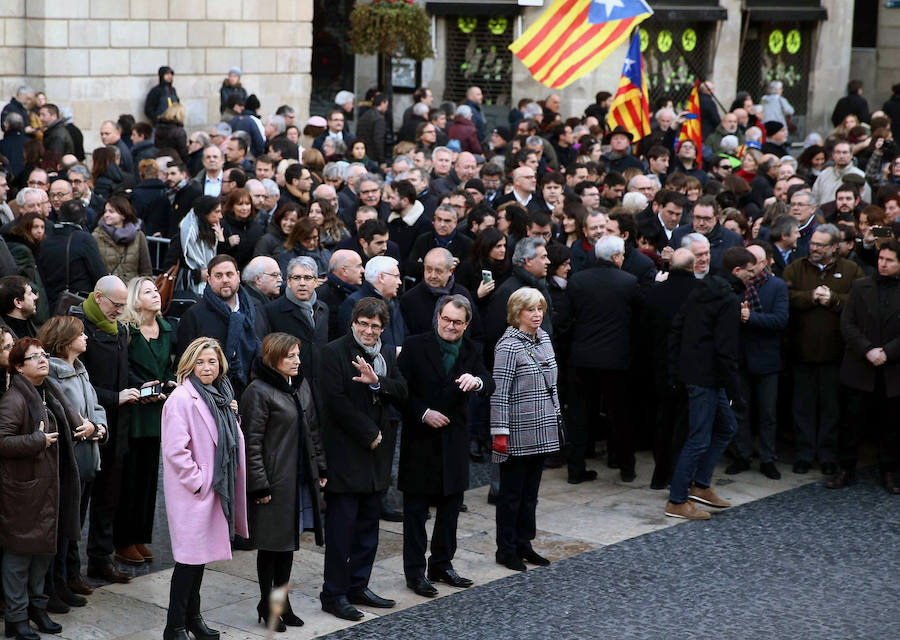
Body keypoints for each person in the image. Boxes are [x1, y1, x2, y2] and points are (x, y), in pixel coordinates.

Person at [397, 295, 494, 597]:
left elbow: (488, 381)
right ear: (438, 317)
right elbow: (399, 391)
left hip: (453, 438)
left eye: (457, 322)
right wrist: (423, 413)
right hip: (420, 438)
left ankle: (442, 563)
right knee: (415, 512)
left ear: (466, 324)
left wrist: (476, 381)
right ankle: (415, 572)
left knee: (450, 507)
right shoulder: (414, 345)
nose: (450, 326)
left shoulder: (471, 348)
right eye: (446, 319)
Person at [318, 297, 408, 621]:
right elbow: (334, 402)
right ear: (353, 323)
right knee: (342, 530)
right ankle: (333, 593)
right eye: (364, 324)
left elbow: (402, 390)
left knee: (369, 527)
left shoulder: (385, 353)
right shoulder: (332, 352)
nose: (369, 331)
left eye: (376, 326)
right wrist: (368, 432)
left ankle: (358, 585)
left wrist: (378, 382)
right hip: (346, 452)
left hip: (377, 457)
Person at [0, 337, 90, 640]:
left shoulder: (49, 391)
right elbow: (2, 442)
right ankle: (16, 617)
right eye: (34, 357)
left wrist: (91, 427)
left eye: (43, 355)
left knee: (42, 553)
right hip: (24, 491)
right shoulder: (13, 399)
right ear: (18, 367)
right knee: (19, 557)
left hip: (50, 486)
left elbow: (71, 423)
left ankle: (37, 609)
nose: (42, 360)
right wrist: (37, 441)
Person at [161, 337, 248, 640]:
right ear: (189, 364)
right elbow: (175, 451)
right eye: (200, 362)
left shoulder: (221, 395)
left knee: (199, 561)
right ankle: (174, 627)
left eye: (212, 361)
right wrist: (199, 481)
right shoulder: (182, 398)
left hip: (213, 488)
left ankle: (193, 620)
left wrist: (232, 415)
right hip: (196, 492)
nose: (207, 367)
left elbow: (226, 436)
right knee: (188, 561)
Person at [240, 332, 325, 630]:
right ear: (273, 358)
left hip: (296, 481)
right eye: (290, 356)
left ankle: (281, 603)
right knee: (271, 547)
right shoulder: (258, 391)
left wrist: (321, 469)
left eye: (298, 355)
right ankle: (268, 605)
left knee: (287, 546)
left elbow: (312, 430)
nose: (297, 361)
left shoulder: (300, 387)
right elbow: (251, 444)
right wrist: (259, 485)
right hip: (273, 483)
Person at [665, 247, 757, 519]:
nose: (754, 276)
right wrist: (736, 392)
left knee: (726, 427)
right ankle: (677, 499)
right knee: (699, 438)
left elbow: (677, 329)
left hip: (699, 374)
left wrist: (676, 369)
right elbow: (726, 350)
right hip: (706, 377)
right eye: (751, 271)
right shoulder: (727, 299)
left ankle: (701, 485)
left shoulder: (702, 289)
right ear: (737, 271)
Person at [69, 276, 137, 584]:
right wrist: (115, 397)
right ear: (98, 297)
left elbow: (123, 372)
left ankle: (100, 558)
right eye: (116, 304)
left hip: (115, 428)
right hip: (87, 429)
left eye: (124, 305)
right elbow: (75, 384)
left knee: (108, 499)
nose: (120, 311)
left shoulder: (120, 329)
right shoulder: (76, 329)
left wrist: (141, 387)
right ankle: (70, 569)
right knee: (78, 501)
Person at [783, 224, 864, 474]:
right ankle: (804, 454)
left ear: (834, 247)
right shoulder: (796, 267)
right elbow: (784, 296)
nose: (814, 248)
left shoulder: (851, 270)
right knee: (802, 407)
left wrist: (834, 300)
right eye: (813, 243)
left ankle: (827, 455)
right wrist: (810, 297)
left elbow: (861, 302)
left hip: (835, 354)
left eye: (820, 245)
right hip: (801, 352)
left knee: (831, 408)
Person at [39, 316, 109, 607]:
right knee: (62, 527)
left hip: (87, 459)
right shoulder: (53, 375)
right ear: (67, 341)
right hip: (68, 464)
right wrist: (88, 426)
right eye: (81, 335)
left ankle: (68, 577)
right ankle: (53, 586)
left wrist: (99, 427)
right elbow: (64, 416)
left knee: (75, 523)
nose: (86, 338)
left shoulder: (80, 371)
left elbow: (95, 407)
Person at [560, 235, 641, 483]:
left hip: (582, 359)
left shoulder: (577, 281)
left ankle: (575, 469)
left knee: (579, 415)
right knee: (621, 416)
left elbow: (564, 322)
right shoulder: (629, 282)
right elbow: (638, 322)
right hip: (617, 362)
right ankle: (626, 467)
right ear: (616, 257)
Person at [491, 287, 561, 571]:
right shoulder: (507, 346)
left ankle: (524, 543)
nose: (537, 315)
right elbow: (499, 393)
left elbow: (553, 383)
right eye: (530, 309)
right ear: (516, 313)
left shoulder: (543, 338)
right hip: (517, 431)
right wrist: (500, 432)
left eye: (540, 309)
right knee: (511, 495)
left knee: (530, 494)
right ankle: (505, 548)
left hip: (543, 427)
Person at [108, 277, 174, 567]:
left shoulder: (167, 328)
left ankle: (139, 537)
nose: (156, 295)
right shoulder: (127, 330)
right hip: (134, 409)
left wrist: (169, 382)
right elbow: (123, 369)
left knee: (149, 478)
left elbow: (171, 363)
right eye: (148, 291)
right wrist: (142, 386)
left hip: (158, 409)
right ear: (135, 300)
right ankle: (123, 541)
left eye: (156, 290)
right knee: (130, 479)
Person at [828, 240, 900, 492]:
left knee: (891, 425)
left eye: (889, 260)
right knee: (851, 422)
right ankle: (845, 469)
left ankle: (889, 471)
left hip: (892, 369)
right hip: (861, 366)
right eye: (881, 258)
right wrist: (868, 349)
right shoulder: (861, 286)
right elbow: (847, 324)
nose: (883, 263)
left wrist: (887, 352)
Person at [726, 243, 789, 479]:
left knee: (767, 414)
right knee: (740, 410)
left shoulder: (777, 286)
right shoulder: (736, 285)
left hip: (767, 360)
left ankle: (767, 458)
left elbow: (780, 320)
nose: (748, 265)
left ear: (764, 263)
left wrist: (752, 317)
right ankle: (742, 455)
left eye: (753, 260)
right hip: (740, 358)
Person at [175, 255, 263, 399]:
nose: (225, 280)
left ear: (238, 276)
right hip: (212, 395)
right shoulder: (195, 314)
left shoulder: (256, 308)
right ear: (209, 279)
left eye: (229, 274)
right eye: (218, 275)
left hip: (253, 393)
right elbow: (184, 363)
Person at [264, 256, 329, 380]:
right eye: (296, 278)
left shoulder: (323, 309)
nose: (302, 283)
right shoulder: (271, 311)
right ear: (288, 281)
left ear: (316, 282)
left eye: (308, 278)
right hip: (289, 381)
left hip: (321, 380)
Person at [38, 201, 108, 312]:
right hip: (78, 305)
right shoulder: (84, 239)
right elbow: (100, 275)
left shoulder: (46, 241)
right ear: (82, 219)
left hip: (51, 306)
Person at [399, 248, 478, 337]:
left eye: (438, 271)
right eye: (428, 270)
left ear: (450, 271)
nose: (433, 276)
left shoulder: (463, 294)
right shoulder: (410, 299)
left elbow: (476, 333)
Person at [92, 195, 152, 284]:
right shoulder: (96, 236)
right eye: (105, 211)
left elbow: (146, 270)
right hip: (108, 291)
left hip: (132, 291)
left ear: (123, 215)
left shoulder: (138, 236)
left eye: (111, 212)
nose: (106, 215)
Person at [178, 196, 221, 295]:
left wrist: (222, 241)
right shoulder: (185, 236)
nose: (220, 216)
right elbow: (171, 266)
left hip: (211, 289)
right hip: (189, 293)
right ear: (205, 213)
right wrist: (197, 275)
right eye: (217, 212)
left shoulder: (214, 232)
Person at [0, 275, 39, 339]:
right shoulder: (5, 339)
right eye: (30, 294)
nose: (35, 297)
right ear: (18, 302)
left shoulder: (31, 327)